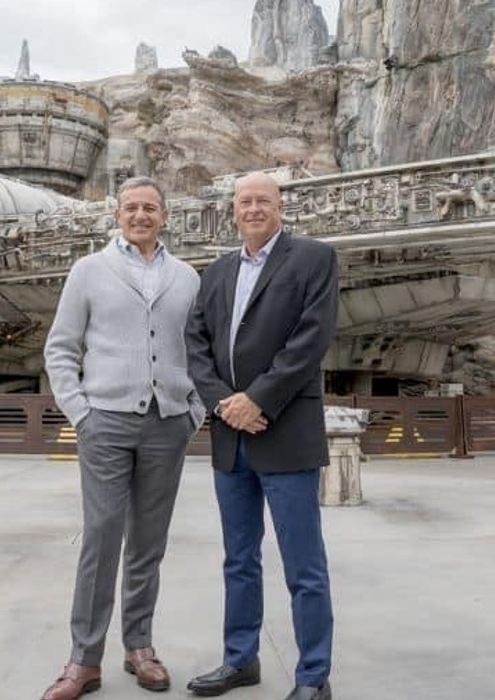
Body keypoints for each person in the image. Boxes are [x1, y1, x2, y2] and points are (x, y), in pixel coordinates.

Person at [41, 176, 205, 700]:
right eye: (131, 207)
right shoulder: (88, 271)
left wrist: (193, 413)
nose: (140, 215)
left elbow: (200, 353)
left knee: (148, 544)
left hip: (167, 423)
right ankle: (83, 659)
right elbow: (61, 348)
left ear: (164, 216)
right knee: (102, 537)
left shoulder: (186, 278)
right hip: (105, 422)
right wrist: (81, 414)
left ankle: (139, 646)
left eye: (150, 207)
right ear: (117, 215)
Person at [184, 172, 339, 700]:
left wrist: (258, 399)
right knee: (239, 559)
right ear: (233, 210)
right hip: (232, 437)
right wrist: (225, 404)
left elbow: (311, 339)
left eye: (263, 201)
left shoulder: (314, 259)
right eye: (244, 202)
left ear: (280, 206)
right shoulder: (218, 270)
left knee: (304, 565)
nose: (253, 209)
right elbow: (196, 343)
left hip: (285, 432)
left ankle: (314, 677)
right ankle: (240, 660)